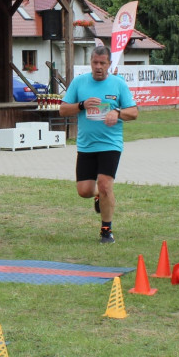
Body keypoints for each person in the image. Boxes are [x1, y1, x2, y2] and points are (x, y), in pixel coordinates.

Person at [58, 46, 138, 244]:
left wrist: (118, 113)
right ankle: (98, 197)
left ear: (109, 64)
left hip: (110, 144)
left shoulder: (118, 84)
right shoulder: (79, 83)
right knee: (84, 190)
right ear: (91, 63)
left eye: (103, 63)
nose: (98, 67)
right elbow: (62, 110)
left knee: (105, 184)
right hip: (86, 145)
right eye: (95, 63)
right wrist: (81, 105)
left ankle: (106, 230)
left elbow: (134, 112)